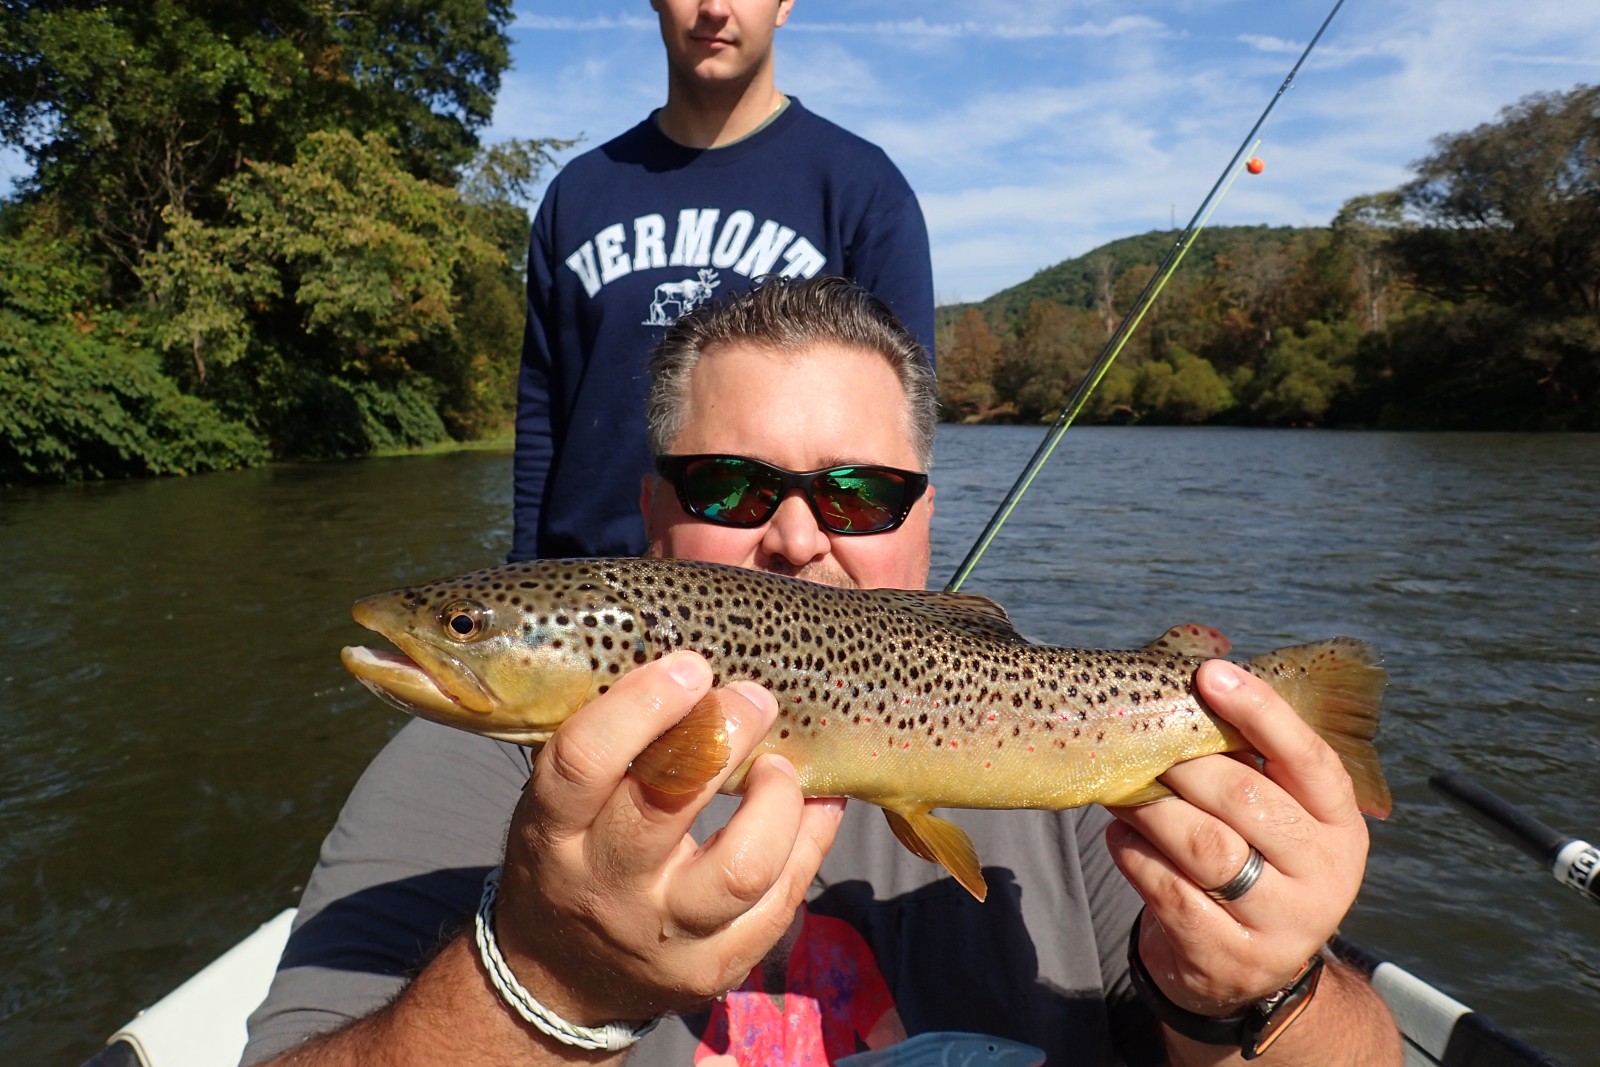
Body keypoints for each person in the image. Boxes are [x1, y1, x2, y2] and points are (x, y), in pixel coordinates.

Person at [243, 276, 1401, 1066]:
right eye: (731, 488)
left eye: (855, 495)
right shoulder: (468, 786)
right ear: (650, 515)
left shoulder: (1095, 811)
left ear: (925, 522)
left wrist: (1262, 991)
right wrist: (538, 973)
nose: (797, 536)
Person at [510, 0, 935, 563]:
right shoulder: (578, 192)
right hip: (585, 593)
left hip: (787, 600)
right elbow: (543, 411)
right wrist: (524, 570)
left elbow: (903, 430)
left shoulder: (863, 188)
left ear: (785, 5)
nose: (713, 8)